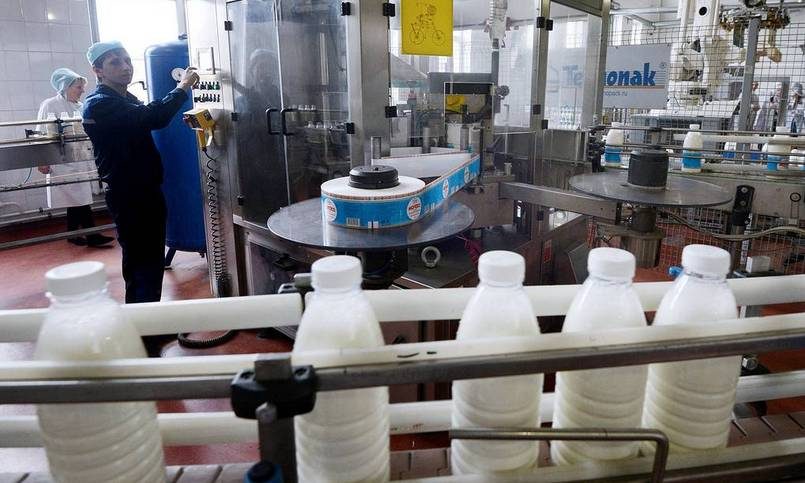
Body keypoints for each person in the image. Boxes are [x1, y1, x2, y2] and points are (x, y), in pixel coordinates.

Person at [82, 40, 199, 312]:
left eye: (127, 60)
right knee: (142, 262)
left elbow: (148, 116)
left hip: (147, 190)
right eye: (115, 62)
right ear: (98, 70)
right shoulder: (99, 104)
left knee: (151, 260)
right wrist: (183, 87)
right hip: (129, 195)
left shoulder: (125, 99)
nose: (125, 67)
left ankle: (148, 319)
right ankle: (142, 324)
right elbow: (153, 117)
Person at [36, 68, 114, 247]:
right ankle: (92, 235)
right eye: (79, 87)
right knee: (78, 198)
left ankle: (73, 233)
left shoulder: (80, 105)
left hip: (81, 159)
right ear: (65, 87)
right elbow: (41, 133)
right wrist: (42, 160)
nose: (82, 90)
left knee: (78, 199)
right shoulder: (50, 105)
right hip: (61, 160)